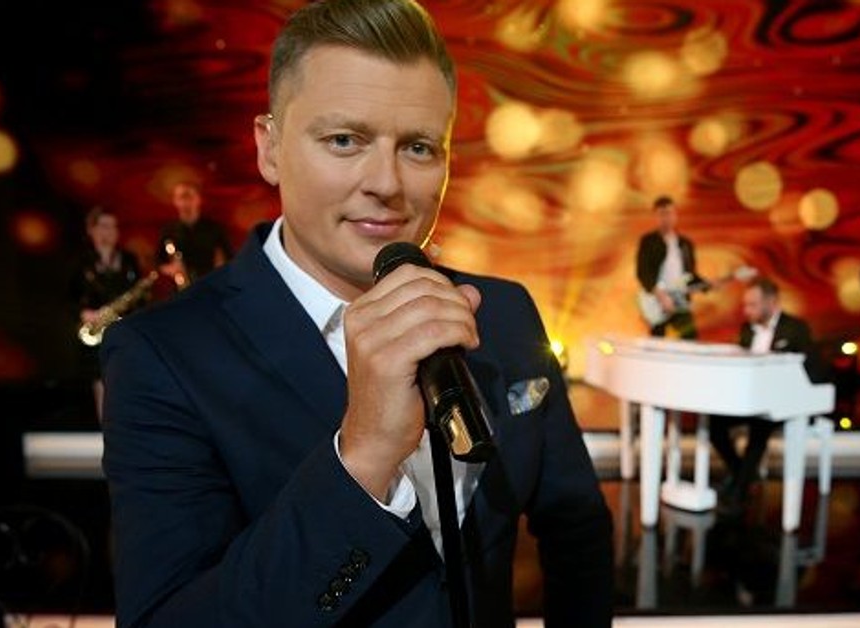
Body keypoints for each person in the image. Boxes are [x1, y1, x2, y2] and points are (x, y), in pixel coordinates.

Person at [99, 1, 614, 626]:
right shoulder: (164, 354)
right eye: (345, 140)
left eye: (418, 147)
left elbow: (576, 528)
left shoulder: (503, 311)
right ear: (269, 148)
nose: (387, 184)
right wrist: (363, 457)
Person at [708, 277, 828, 514]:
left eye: (752, 304)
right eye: (745, 305)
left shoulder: (796, 328)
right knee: (715, 425)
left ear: (772, 302)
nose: (747, 310)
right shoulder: (746, 330)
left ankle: (739, 493)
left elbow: (813, 369)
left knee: (760, 426)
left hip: (784, 402)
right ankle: (743, 473)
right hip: (750, 400)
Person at [69, 206, 148, 421]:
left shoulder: (129, 260)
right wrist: (84, 313)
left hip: (123, 329)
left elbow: (140, 297)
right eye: (104, 226)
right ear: (91, 229)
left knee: (127, 379)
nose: (110, 231)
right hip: (95, 332)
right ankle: (106, 427)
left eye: (113, 226)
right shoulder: (81, 262)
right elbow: (68, 299)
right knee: (100, 380)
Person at [636, 195, 705, 339]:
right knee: (657, 341)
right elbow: (643, 273)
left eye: (669, 213)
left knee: (690, 338)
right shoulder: (648, 242)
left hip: (679, 299)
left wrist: (707, 285)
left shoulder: (685, 244)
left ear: (676, 215)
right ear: (655, 217)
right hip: (657, 301)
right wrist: (661, 296)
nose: (666, 218)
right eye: (662, 214)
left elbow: (690, 275)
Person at [156, 180, 234, 290]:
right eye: (181, 197)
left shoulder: (215, 229)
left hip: (210, 287)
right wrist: (172, 269)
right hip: (180, 290)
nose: (185, 202)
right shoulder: (168, 231)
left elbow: (229, 258)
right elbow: (158, 262)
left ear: (199, 199)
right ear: (175, 201)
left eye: (189, 197)